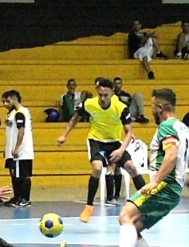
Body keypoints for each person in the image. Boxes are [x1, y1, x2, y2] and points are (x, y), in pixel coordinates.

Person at [100, 88, 189, 247]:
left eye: (151, 107)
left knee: (125, 216)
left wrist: (155, 181)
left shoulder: (166, 127)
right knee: (133, 230)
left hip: (164, 185)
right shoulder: (187, 132)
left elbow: (171, 154)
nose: (150, 112)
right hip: (174, 192)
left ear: (159, 108)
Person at [57, 78, 146, 221]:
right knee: (97, 169)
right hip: (96, 141)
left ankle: (147, 203)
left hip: (114, 142)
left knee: (131, 167)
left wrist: (121, 150)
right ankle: (88, 207)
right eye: (100, 95)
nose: (102, 98)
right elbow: (75, 119)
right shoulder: (89, 104)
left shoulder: (121, 107)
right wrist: (64, 135)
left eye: (106, 95)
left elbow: (129, 132)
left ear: (112, 93)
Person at [2, 90, 34, 207]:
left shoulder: (21, 113)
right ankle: (17, 197)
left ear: (14, 100)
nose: (5, 104)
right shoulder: (13, 113)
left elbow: (21, 130)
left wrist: (17, 148)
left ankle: (25, 199)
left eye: (7, 101)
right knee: (14, 174)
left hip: (22, 151)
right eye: (3, 102)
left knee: (23, 175)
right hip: (12, 151)